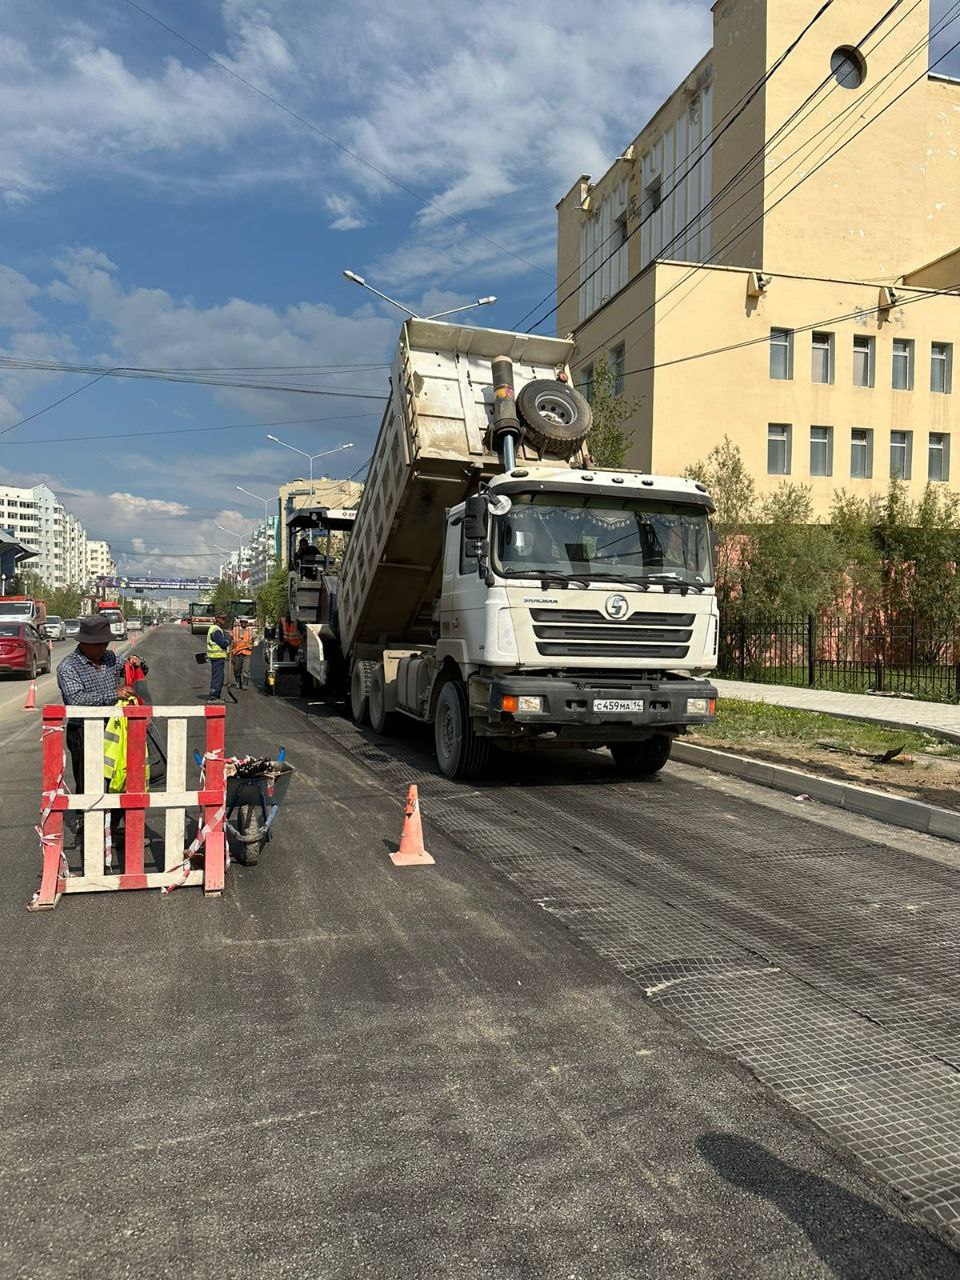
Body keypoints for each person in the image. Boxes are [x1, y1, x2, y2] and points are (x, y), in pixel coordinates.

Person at [56, 614, 135, 868]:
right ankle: (86, 828)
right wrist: (113, 694)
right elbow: (76, 699)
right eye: (98, 644)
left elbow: (131, 667)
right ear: (84, 643)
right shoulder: (68, 667)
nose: (103, 648)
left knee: (116, 779)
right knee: (89, 781)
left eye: (105, 643)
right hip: (83, 733)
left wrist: (136, 663)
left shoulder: (110, 658)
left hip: (113, 731)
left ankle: (112, 827)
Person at [206, 613, 231, 701]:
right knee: (218, 677)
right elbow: (223, 643)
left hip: (216, 657)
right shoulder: (216, 630)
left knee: (219, 676)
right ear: (217, 618)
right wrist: (228, 639)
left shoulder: (216, 628)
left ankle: (216, 695)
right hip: (217, 657)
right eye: (222, 618)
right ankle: (214, 696)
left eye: (224, 618)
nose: (224, 620)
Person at [230, 616, 255, 690]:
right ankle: (238, 682)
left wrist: (256, 641)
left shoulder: (250, 631)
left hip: (246, 653)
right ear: (240, 622)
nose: (244, 623)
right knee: (236, 669)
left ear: (247, 623)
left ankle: (245, 684)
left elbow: (256, 637)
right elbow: (229, 637)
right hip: (237, 653)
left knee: (246, 669)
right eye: (242, 622)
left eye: (245, 622)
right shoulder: (235, 630)